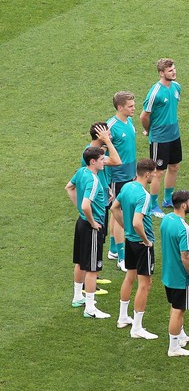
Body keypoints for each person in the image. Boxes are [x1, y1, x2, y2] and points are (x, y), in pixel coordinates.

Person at [110, 158, 160, 339]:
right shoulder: (144, 196)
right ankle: (137, 327)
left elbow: (115, 208)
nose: (155, 175)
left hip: (130, 241)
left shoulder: (127, 187)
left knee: (129, 277)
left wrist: (124, 226)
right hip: (140, 244)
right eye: (153, 173)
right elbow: (138, 222)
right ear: (147, 174)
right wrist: (146, 241)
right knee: (145, 284)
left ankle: (123, 317)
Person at [72, 123, 121, 303]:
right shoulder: (93, 153)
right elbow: (117, 161)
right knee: (90, 253)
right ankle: (89, 287)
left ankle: (91, 278)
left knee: (94, 247)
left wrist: (106, 187)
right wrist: (108, 141)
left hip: (97, 204)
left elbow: (70, 187)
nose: (110, 133)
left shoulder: (95, 154)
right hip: (95, 208)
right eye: (107, 131)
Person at [66, 146, 111, 319]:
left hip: (81, 223)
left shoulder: (81, 172)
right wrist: (93, 222)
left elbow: (69, 187)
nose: (104, 161)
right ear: (93, 161)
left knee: (80, 261)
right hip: (92, 226)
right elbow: (86, 205)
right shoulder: (93, 180)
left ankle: (78, 297)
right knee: (92, 268)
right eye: (102, 159)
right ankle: (90, 308)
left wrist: (81, 211)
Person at [141, 58, 183, 219]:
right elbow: (144, 116)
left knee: (174, 167)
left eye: (174, 69)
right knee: (158, 172)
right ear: (161, 73)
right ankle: (152, 205)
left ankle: (167, 199)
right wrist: (148, 130)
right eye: (170, 70)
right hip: (160, 138)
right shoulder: (155, 93)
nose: (174, 72)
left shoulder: (176, 87)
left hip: (174, 135)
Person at [160, 190, 189, 356]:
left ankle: (180, 335)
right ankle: (173, 347)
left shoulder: (166, 219)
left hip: (168, 273)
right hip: (180, 277)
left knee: (174, 306)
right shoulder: (184, 228)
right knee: (178, 310)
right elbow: (185, 257)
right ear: (184, 205)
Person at [107, 91, 138, 272]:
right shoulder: (111, 126)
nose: (134, 108)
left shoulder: (130, 121)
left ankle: (113, 249)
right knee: (121, 215)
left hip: (129, 174)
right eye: (130, 106)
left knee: (115, 212)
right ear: (120, 107)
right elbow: (102, 152)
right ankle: (122, 257)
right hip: (117, 177)